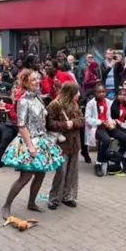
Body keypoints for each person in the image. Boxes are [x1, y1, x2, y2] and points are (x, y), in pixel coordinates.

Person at [0, 69, 65, 219]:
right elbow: (21, 126)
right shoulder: (23, 101)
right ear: (26, 82)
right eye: (33, 80)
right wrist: (30, 146)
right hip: (29, 140)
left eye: (37, 79)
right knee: (25, 176)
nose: (37, 82)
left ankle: (31, 203)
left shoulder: (37, 98)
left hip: (41, 139)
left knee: (41, 174)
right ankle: (6, 205)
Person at [46, 82, 84, 210]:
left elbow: (82, 119)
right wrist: (64, 125)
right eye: (75, 92)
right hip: (62, 143)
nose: (77, 95)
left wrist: (73, 123)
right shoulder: (54, 105)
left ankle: (68, 196)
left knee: (72, 171)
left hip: (75, 142)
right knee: (61, 171)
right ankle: (54, 198)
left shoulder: (75, 104)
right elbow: (49, 123)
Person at [85, 83, 126, 177]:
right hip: (97, 128)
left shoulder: (108, 101)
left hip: (108, 126)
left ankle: (118, 157)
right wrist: (100, 122)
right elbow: (87, 119)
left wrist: (111, 123)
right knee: (106, 140)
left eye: (103, 92)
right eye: (99, 92)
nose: (101, 94)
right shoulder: (91, 103)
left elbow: (109, 116)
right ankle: (99, 163)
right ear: (95, 93)